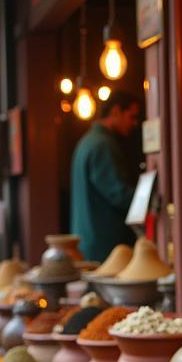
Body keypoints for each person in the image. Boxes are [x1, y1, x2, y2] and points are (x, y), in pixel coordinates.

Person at [70, 89, 141, 261]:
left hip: (89, 241)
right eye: (132, 116)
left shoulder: (88, 141)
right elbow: (118, 194)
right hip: (104, 247)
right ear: (116, 111)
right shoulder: (102, 145)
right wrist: (147, 197)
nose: (135, 123)